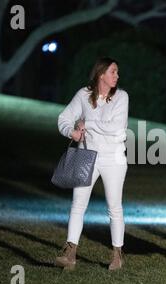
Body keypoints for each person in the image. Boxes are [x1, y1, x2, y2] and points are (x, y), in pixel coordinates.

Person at [55, 57, 129, 271]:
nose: (117, 76)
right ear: (101, 74)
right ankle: (70, 253)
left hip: (113, 158)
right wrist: (73, 131)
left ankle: (117, 254)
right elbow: (63, 118)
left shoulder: (121, 97)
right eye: (113, 72)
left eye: (117, 72)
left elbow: (116, 128)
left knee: (114, 206)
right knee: (78, 205)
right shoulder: (83, 95)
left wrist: (87, 123)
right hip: (86, 156)